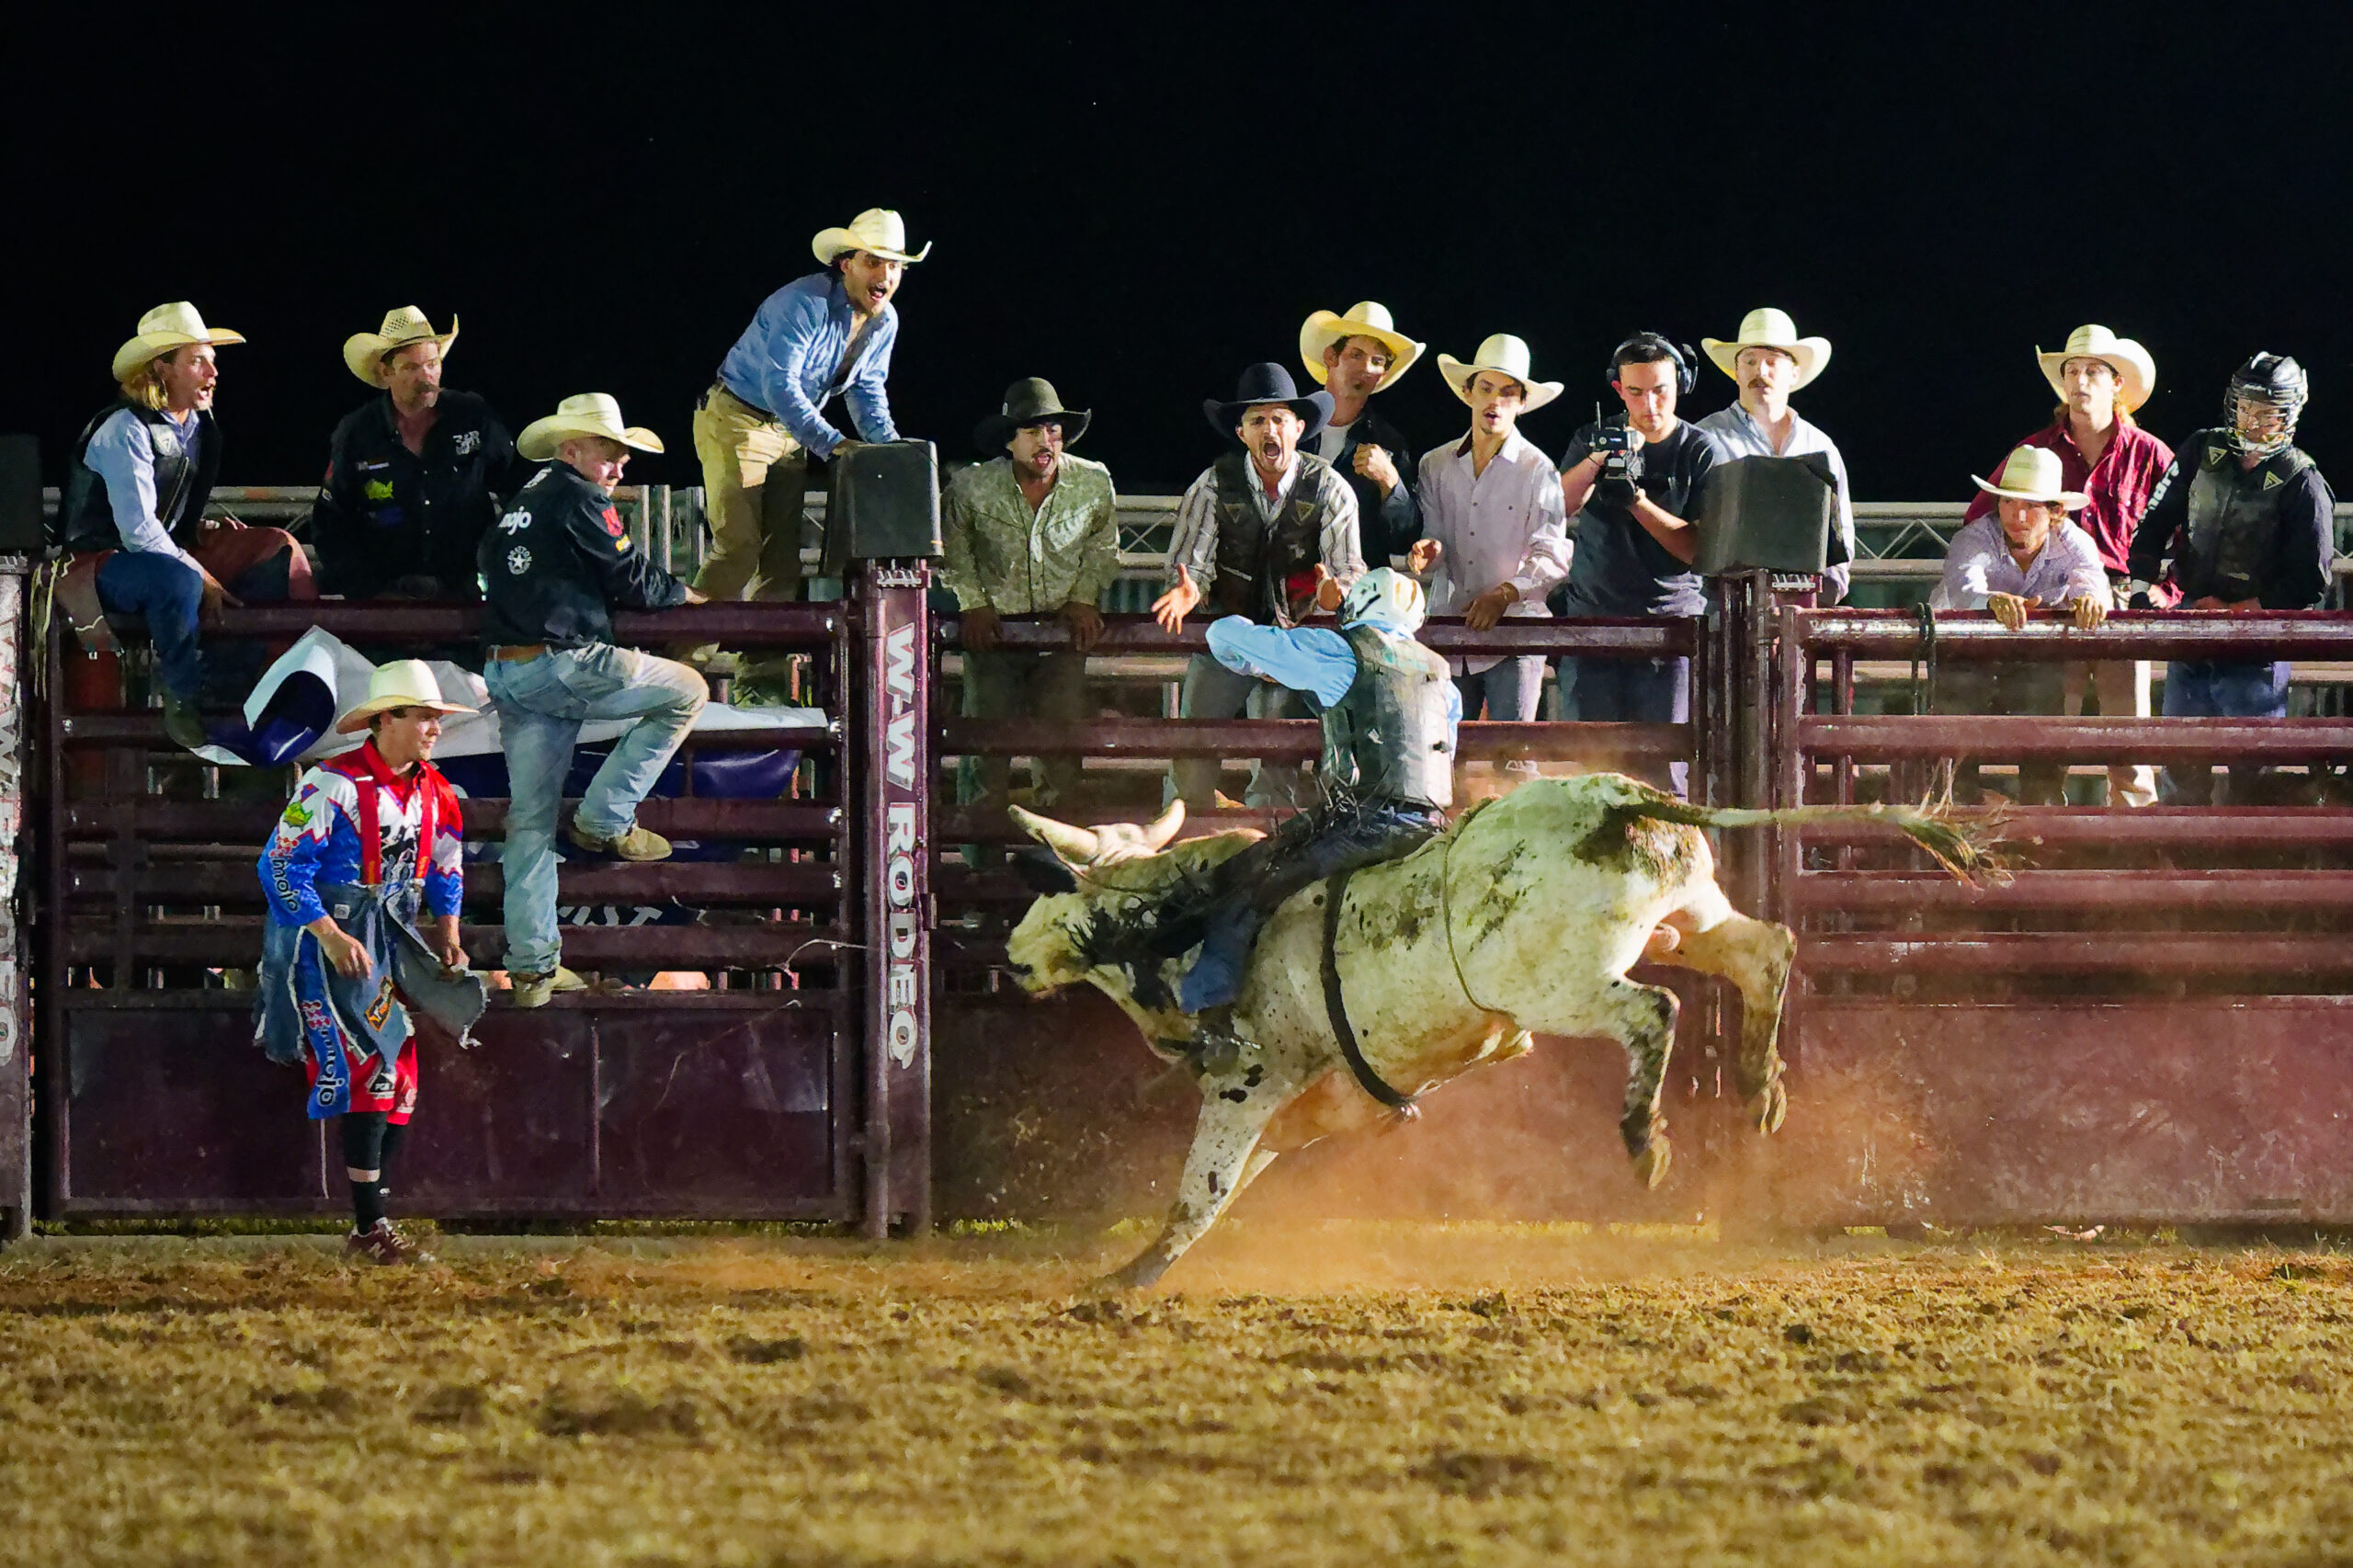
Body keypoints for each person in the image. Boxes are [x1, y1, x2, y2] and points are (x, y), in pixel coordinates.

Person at [480, 395, 709, 1006]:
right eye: (610, 455)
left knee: (528, 823)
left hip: (510, 668)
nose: (619, 469)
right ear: (573, 451)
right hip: (565, 661)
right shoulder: (581, 498)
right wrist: (682, 592)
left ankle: (532, 969)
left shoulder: (523, 504)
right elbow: (628, 575)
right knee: (687, 690)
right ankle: (606, 816)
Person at [256, 659, 487, 1265]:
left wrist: (451, 932)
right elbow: (279, 864)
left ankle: (370, 1225)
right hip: (333, 941)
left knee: (399, 1078)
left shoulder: (435, 791)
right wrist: (329, 935)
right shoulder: (330, 786)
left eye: (437, 718)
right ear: (386, 720)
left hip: (390, 936)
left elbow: (446, 864)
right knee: (377, 1073)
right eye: (422, 717)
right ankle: (370, 1227)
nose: (433, 729)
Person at [1172, 568, 1459, 1040]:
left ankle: (1211, 1015)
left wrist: (1254, 664)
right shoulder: (1442, 677)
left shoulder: (1338, 652)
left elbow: (1226, 633)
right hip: (1430, 824)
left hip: (1363, 824)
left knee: (1248, 884)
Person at [53, 302, 317, 748]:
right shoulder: (123, 428)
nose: (212, 372)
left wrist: (197, 529)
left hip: (157, 554)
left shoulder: (197, 426)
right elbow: (137, 531)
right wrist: (202, 572)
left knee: (278, 546)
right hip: (96, 561)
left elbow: (165, 517)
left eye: (212, 360)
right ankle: (184, 696)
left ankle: (251, 679)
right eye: (197, 361)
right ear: (162, 368)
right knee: (177, 581)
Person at [1960, 325, 2173, 807]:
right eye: (2072, 371)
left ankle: (2133, 848)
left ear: (2117, 383)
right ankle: (2048, 837)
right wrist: (2010, 578)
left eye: (2093, 371)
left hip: (2119, 601)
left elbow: (2189, 536)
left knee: (2128, 736)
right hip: (2052, 600)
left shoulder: (2150, 454)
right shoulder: (2036, 450)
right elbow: (1981, 520)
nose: (2079, 381)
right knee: (2050, 735)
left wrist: (2164, 592)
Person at [692, 208, 929, 609]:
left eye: (894, 266)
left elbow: (867, 390)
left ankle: (761, 671)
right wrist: (834, 443)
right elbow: (779, 385)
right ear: (846, 264)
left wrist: (892, 453)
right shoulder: (802, 302)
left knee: (782, 559)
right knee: (739, 547)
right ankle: (680, 659)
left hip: (789, 431)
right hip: (737, 416)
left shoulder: (884, 321)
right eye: (873, 262)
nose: (885, 277)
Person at [1154, 363, 1364, 811]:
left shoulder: (1330, 488)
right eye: (1257, 420)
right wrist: (1190, 589)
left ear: (1299, 428)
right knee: (1194, 746)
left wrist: (1334, 596)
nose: (1269, 429)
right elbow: (1190, 565)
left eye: (1279, 419)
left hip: (1294, 640)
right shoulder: (1213, 485)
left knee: (1279, 761)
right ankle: (1182, 851)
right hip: (1227, 636)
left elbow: (1347, 572)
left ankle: (1272, 857)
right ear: (1242, 432)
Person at [2129, 354, 2335, 805]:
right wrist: (2143, 586)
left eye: (2266, 411)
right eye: (2245, 406)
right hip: (2192, 631)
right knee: (2181, 765)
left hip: (2256, 646)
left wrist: (2238, 612)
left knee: (2253, 773)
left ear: (2288, 414)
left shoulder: (2303, 481)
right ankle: (2180, 868)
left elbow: (2310, 581)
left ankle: (2250, 869)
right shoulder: (2202, 449)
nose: (2252, 419)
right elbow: (2154, 519)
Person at [939, 377, 1120, 818]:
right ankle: (981, 868)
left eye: (1053, 430)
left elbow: (1103, 547)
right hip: (995, 633)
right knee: (985, 750)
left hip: (1060, 633)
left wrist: (1084, 598)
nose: (1046, 441)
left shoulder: (1093, 481)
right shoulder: (970, 487)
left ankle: (1055, 864)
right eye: (1033, 431)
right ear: (1010, 440)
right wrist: (972, 603)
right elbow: (953, 550)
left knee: (1061, 751)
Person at [1552, 333, 1720, 795]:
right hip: (1592, 623)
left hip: (1670, 630)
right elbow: (1557, 506)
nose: (1650, 403)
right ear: (1618, 390)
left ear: (1680, 386)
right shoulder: (1590, 437)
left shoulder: (1699, 450)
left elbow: (1699, 550)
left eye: (1661, 389)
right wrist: (1599, 460)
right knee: (1587, 769)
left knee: (1664, 771)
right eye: (1637, 391)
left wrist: (1637, 501)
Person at [1411, 333, 1570, 778]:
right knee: (1443, 756)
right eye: (1486, 388)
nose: (1494, 402)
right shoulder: (1434, 464)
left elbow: (1553, 553)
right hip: (1452, 625)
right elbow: (1436, 537)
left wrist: (1504, 593)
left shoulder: (1539, 469)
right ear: (1468, 393)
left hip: (1515, 632)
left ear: (1520, 403)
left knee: (1514, 758)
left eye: (1507, 392)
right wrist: (1429, 550)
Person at [1929, 448, 2112, 805]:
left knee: (2043, 754)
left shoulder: (2074, 543)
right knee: (1955, 764)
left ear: (2056, 512)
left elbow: (2093, 583)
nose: (2019, 516)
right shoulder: (1976, 537)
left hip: (2031, 664)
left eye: (2031, 505)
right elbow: (1965, 588)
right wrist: (1992, 602)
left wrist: (2091, 601)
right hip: (1963, 657)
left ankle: (2040, 829)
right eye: (2009, 503)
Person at [309, 307, 517, 601]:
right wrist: (371, 592)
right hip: (386, 597)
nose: (426, 376)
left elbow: (518, 491)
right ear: (386, 372)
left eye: (433, 363)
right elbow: (330, 523)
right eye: (411, 368)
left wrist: (494, 566)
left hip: (466, 593)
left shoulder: (473, 417)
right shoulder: (357, 432)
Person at [1693, 307, 1857, 602]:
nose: (1761, 371)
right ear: (1737, 371)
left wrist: (1823, 598)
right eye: (1750, 361)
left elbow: (1840, 535)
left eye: (1772, 362)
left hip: (1802, 612)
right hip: (1720, 612)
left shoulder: (1820, 446)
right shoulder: (1703, 440)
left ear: (1793, 373)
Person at [1300, 301, 1426, 566]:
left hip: (1357, 595)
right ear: (1331, 358)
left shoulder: (1390, 443)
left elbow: (1404, 541)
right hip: (1287, 597)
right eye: (1356, 354)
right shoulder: (1289, 427)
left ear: (1383, 375)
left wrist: (1391, 483)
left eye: (1377, 361)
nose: (1367, 368)